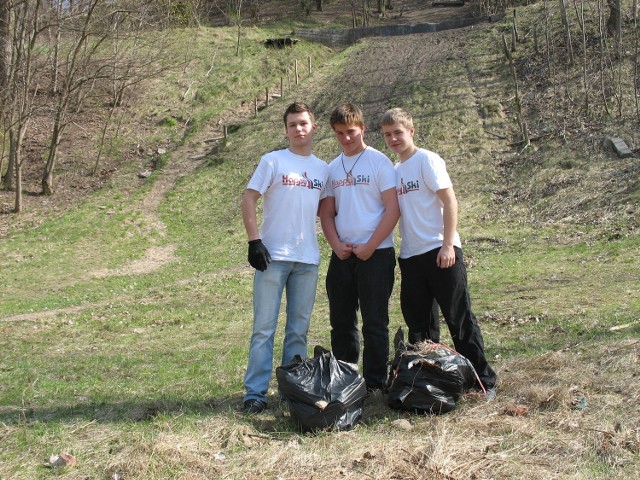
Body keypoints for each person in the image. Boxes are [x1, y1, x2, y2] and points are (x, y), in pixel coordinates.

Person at [380, 107, 497, 399]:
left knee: (459, 319)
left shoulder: (427, 160)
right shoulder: (395, 171)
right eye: (387, 135)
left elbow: (450, 200)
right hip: (411, 256)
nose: (393, 138)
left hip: (440, 250)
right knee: (420, 325)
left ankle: (482, 380)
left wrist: (448, 245)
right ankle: (431, 382)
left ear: (411, 131)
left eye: (398, 132)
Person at [241, 102, 329, 414]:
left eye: (304, 123)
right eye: (292, 125)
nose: (298, 129)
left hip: (307, 259)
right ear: (286, 130)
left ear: (314, 127)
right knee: (264, 328)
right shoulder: (273, 161)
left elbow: (328, 211)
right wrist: (255, 241)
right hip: (272, 257)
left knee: (298, 331)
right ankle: (255, 393)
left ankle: (293, 391)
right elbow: (249, 197)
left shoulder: (323, 169)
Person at [319, 103, 400, 392]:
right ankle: (346, 380)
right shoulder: (331, 168)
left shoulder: (379, 162)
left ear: (362, 129)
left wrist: (371, 245)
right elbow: (326, 213)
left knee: (374, 322)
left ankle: (376, 384)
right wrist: (336, 244)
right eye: (339, 133)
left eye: (351, 132)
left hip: (376, 254)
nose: (346, 138)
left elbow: (393, 209)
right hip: (342, 255)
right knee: (341, 322)